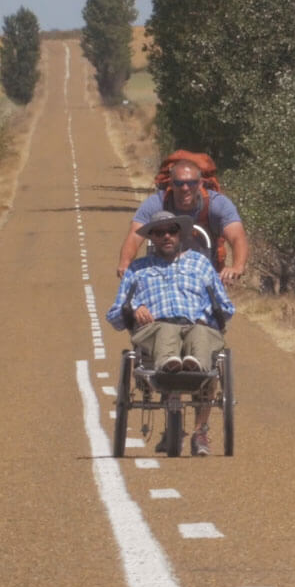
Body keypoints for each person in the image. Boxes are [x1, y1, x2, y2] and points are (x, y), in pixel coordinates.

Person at [106, 210, 236, 456]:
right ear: (151, 237)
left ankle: (195, 368)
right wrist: (134, 309)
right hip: (156, 328)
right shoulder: (138, 269)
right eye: (159, 232)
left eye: (171, 231)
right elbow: (114, 314)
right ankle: (168, 365)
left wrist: (206, 313)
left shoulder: (200, 264)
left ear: (181, 234)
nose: (166, 236)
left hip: (195, 325)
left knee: (199, 332)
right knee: (166, 329)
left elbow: (226, 308)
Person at [116, 151, 249, 285]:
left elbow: (237, 237)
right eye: (179, 183)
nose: (185, 188)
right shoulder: (156, 203)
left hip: (204, 276)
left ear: (200, 184)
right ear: (171, 184)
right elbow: (134, 236)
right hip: (160, 274)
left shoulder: (217, 204)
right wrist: (125, 263)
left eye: (191, 183)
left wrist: (237, 267)